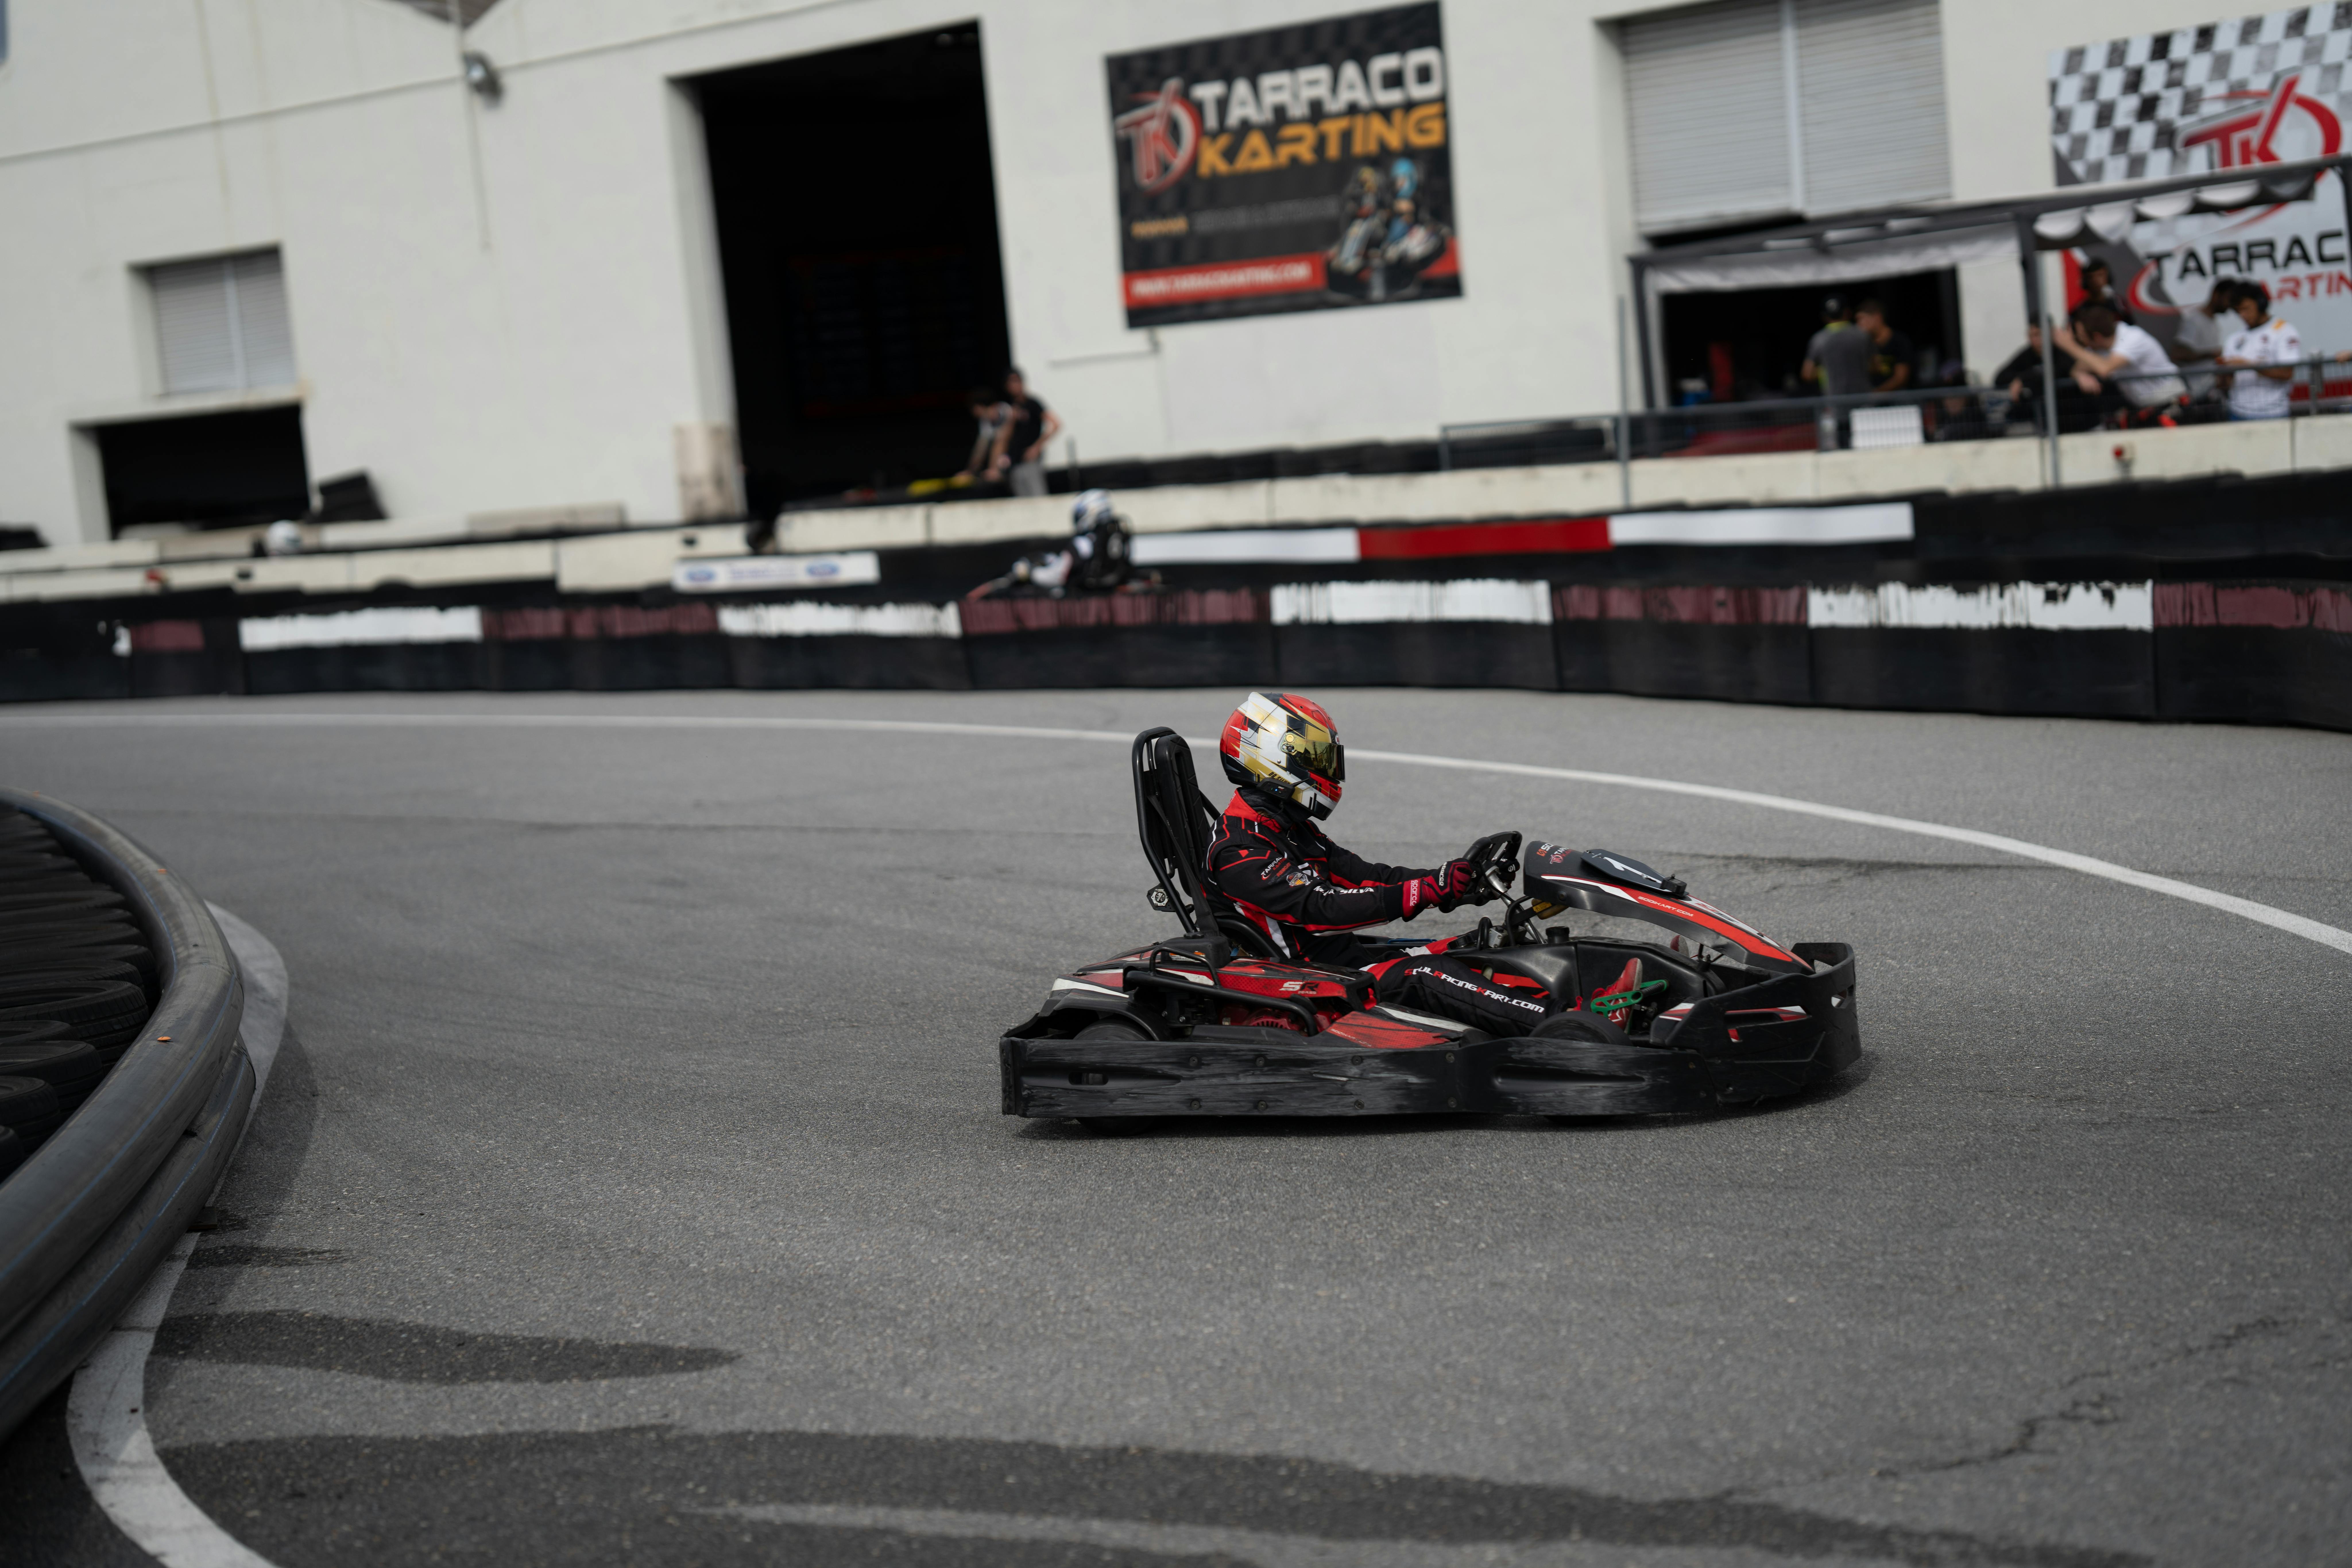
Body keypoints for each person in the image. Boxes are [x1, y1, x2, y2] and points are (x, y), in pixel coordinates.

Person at [1206, 693, 1551, 1037]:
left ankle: (1570, 1000)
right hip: (1313, 979)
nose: (1323, 766)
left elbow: (1368, 877)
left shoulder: (1289, 827)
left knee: (1482, 946)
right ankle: (1565, 1028)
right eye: (1311, 756)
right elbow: (1321, 907)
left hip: (1342, 958)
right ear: (1266, 756)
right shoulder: (1239, 850)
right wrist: (1422, 892)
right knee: (1429, 973)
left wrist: (1449, 883)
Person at [2053, 304, 2186, 418]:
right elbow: (2080, 367)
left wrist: (2070, 347)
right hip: (2144, 408)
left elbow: (2104, 369)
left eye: (2083, 337)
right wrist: (2080, 376)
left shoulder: (2132, 338)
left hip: (2172, 404)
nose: (2082, 342)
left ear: (2097, 338)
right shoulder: (2100, 348)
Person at [2216, 281, 2301, 421]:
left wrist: (2249, 366)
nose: (2243, 315)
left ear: (2261, 304)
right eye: (2239, 311)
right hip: (2238, 413)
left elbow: (2287, 373)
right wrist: (2224, 373)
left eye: (2246, 309)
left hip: (2274, 413)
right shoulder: (2234, 339)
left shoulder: (2284, 331)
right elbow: (2225, 385)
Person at [989, 368, 1062, 497]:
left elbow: (1056, 424)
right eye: (1011, 383)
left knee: (1038, 496)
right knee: (1023, 501)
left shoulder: (1033, 404)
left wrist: (1037, 447)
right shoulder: (1010, 409)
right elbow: (1003, 438)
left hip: (1030, 462)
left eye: (1017, 382)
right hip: (1014, 463)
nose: (1015, 386)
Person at [2169, 279, 2235, 399]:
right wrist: (2212, 354)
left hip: (2210, 392)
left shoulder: (2214, 323)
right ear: (2216, 295)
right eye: (2228, 299)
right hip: (2195, 393)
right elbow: (2178, 353)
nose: (2229, 305)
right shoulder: (2194, 320)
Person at [1800, 296, 1872, 399]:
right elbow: (1875, 366)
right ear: (1847, 313)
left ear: (1825, 317)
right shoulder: (1862, 335)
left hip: (1835, 401)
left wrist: (1825, 371)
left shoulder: (1819, 339)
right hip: (1863, 398)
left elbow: (1808, 374)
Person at [1854, 299, 1913, 393]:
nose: (1859, 325)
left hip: (1900, 401)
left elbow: (1901, 378)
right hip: (1872, 404)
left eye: (1862, 319)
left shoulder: (1899, 342)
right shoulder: (1863, 345)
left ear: (1877, 318)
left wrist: (1877, 394)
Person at [959, 386, 1011, 480]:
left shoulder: (1006, 411)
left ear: (979, 407)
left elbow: (1002, 440)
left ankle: (995, 469)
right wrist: (970, 471)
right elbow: (981, 447)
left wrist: (994, 469)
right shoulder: (985, 422)